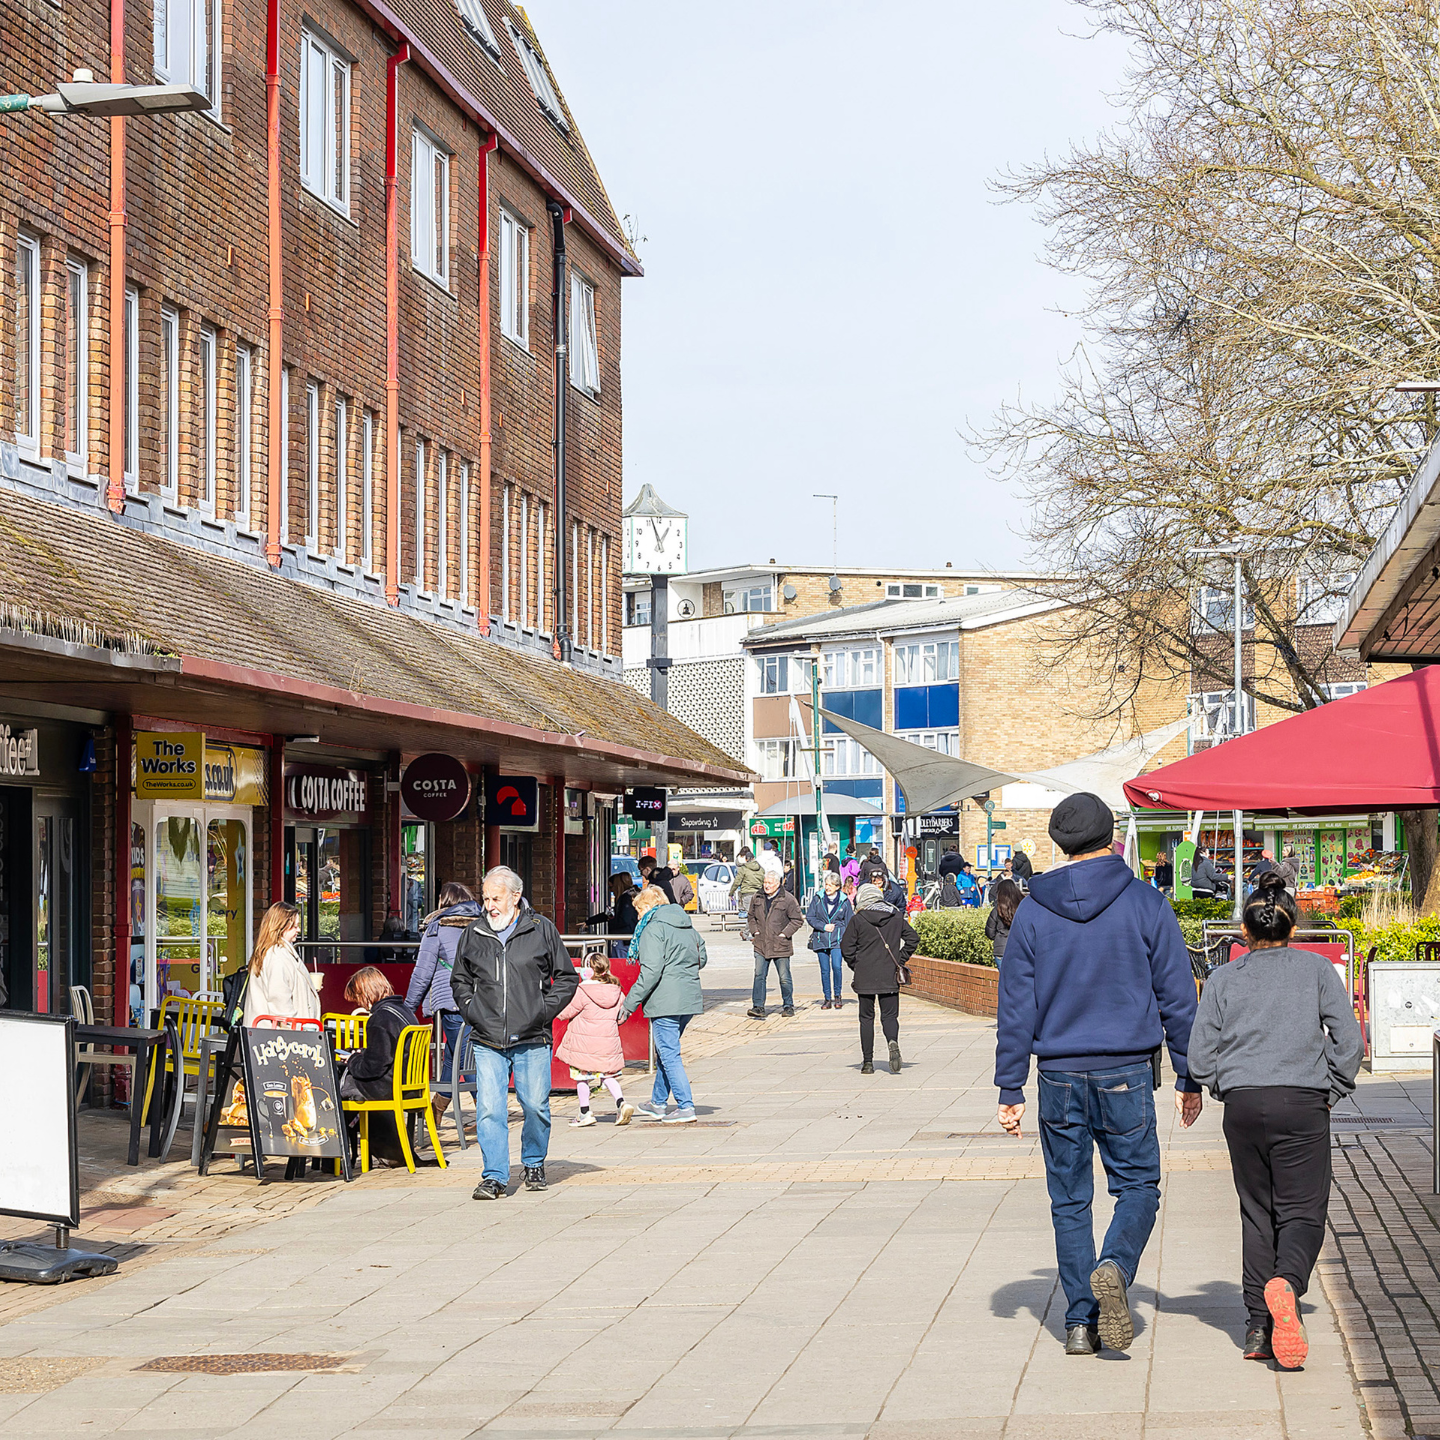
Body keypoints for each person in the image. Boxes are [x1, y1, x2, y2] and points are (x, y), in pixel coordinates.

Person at [994, 792, 1202, 1358]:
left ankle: (1080, 1323)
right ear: (1112, 836)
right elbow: (1177, 998)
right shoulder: (1145, 904)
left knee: (1069, 1200)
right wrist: (1189, 1073)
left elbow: (1016, 1005)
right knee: (1138, 1186)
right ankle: (1114, 1264)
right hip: (1126, 1074)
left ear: (1060, 844)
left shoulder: (1034, 911)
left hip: (1058, 1075)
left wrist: (1010, 1087)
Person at [1188, 873, 1363, 1369]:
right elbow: (1349, 1042)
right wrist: (1332, 1088)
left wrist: (1226, 1085)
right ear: (1293, 928)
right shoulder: (1316, 972)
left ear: (1244, 933)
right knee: (1303, 1209)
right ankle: (1286, 1281)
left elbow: (1199, 1058)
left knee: (1256, 1211)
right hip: (1303, 1102)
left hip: (1243, 1106)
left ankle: (1257, 1327)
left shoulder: (1224, 978)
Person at [451, 865, 579, 1200]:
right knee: (490, 1109)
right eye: (485, 897)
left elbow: (566, 977)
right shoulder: (475, 932)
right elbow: (460, 980)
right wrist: (472, 1009)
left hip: (531, 1036)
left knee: (535, 1105)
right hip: (487, 1036)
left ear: (516, 896)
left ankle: (534, 1162)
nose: (489, 904)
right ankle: (494, 1175)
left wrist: (543, 1011)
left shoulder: (540, 929)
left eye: (496, 897)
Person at [620, 884, 707, 1123]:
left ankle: (686, 1106)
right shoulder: (686, 924)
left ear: (648, 907)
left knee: (669, 1054)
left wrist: (628, 1004)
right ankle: (658, 1103)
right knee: (665, 1052)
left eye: (639, 910)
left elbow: (651, 972)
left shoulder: (652, 929)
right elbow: (703, 956)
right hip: (688, 998)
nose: (637, 916)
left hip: (665, 1000)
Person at [405, 881, 482, 1123]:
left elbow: (422, 971)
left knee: (466, 1058)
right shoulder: (483, 924)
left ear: (444, 902)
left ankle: (488, 1113)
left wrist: (407, 1007)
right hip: (483, 999)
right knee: (455, 1054)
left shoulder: (437, 927)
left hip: (452, 1000)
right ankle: (437, 1108)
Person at [341, 966, 421, 1168]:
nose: (359, 1003)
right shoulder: (403, 1011)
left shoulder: (380, 1018)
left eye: (358, 997)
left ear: (366, 993)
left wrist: (352, 1060)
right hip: (408, 1084)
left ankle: (338, 1156)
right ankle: (387, 1148)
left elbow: (373, 1068)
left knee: (336, 1086)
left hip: (387, 1087)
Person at [841, 882, 919, 1074]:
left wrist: (856, 965)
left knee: (866, 1018)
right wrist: (899, 959)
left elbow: (846, 947)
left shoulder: (858, 920)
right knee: (890, 1015)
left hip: (865, 975)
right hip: (889, 974)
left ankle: (868, 1063)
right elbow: (913, 939)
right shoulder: (895, 916)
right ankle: (892, 1041)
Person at [555, 951, 634, 1128]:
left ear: (587, 970)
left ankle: (585, 1113)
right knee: (608, 1075)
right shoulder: (617, 991)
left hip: (584, 1045)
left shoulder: (582, 991)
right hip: (607, 1043)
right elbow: (621, 1017)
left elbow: (564, 1013)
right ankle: (621, 1103)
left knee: (582, 1078)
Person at [242, 901, 320, 1027]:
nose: (298, 930)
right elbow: (281, 1005)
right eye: (294, 926)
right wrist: (301, 1031)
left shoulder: (273, 952)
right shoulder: (277, 956)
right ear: (281, 926)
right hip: (279, 1039)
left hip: (266, 1036)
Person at [746, 865, 805, 1018]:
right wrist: (754, 931)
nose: (766, 885)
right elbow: (751, 916)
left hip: (780, 945)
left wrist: (784, 934)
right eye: (765, 882)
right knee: (759, 975)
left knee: (784, 977)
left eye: (770, 883)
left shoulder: (788, 899)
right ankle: (758, 1006)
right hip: (761, 944)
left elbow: (797, 920)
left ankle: (788, 1005)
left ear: (778, 884)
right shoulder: (757, 897)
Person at [805, 868, 854, 1009]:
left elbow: (850, 921)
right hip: (821, 938)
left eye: (830, 885)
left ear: (837, 887)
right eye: (826, 884)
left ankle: (837, 996)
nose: (827, 887)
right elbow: (810, 917)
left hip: (838, 939)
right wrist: (823, 926)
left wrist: (848, 938)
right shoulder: (818, 898)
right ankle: (827, 998)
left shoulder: (844, 901)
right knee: (825, 970)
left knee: (837, 967)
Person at [589, 873, 640, 957]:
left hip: (624, 938)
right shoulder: (634, 895)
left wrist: (611, 923)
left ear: (617, 886)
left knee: (621, 963)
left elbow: (624, 920)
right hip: (632, 937)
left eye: (610, 887)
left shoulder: (625, 899)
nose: (610, 890)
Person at [986, 878, 1022, 964]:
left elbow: (990, 933)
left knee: (1004, 977)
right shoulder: (1023, 908)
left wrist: (1000, 937)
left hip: (1001, 950)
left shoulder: (997, 910)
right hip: (1020, 949)